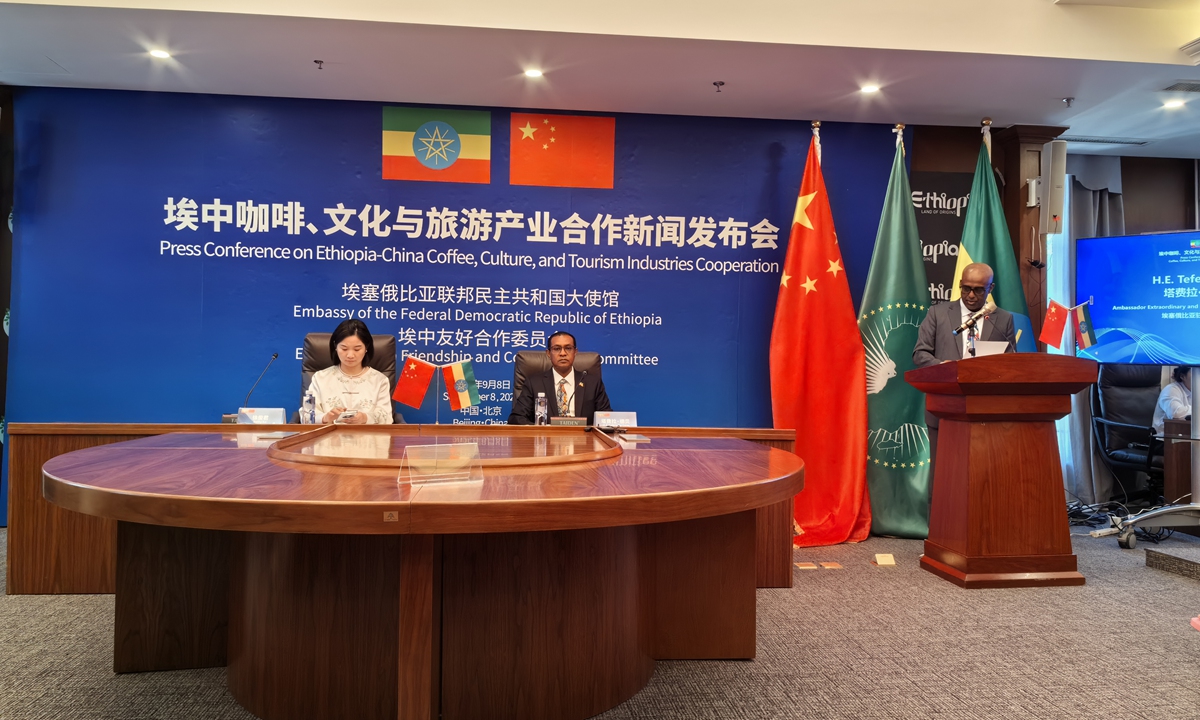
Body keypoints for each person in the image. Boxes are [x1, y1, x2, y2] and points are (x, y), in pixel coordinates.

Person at [911, 262, 1017, 466]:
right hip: (944, 409)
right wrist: (944, 366)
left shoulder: (1003, 319)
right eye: (966, 288)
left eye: (978, 290)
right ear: (960, 285)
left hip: (986, 412)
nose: (970, 295)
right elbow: (920, 354)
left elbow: (1010, 363)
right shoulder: (938, 313)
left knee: (982, 474)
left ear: (990, 289)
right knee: (943, 474)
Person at [301, 319, 394, 424]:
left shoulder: (380, 381)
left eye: (357, 349)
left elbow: (386, 418)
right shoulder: (320, 378)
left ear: (366, 348)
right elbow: (306, 417)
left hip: (367, 438)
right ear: (335, 346)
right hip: (329, 438)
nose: (350, 355)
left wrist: (365, 418)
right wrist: (326, 418)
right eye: (344, 349)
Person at [508, 330, 612, 425]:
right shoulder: (534, 383)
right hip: (546, 441)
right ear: (548, 353)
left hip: (583, 441)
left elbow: (606, 418)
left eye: (568, 348)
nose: (563, 353)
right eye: (557, 349)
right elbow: (516, 418)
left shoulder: (592, 383)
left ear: (575, 352)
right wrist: (541, 430)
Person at [1152, 365, 1193, 435]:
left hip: (1187, 437)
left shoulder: (1195, 391)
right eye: (1195, 373)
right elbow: (1176, 413)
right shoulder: (1171, 390)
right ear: (1182, 376)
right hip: (1165, 441)